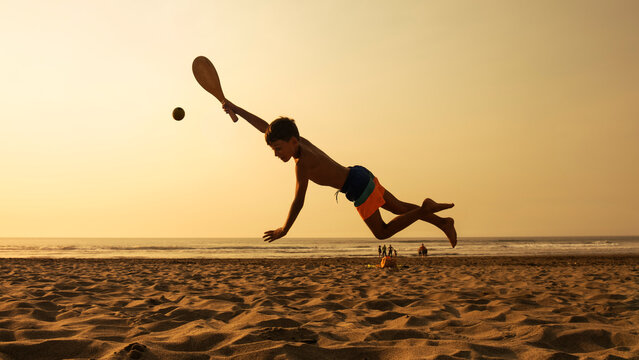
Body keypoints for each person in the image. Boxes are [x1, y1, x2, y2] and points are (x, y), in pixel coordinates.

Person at [222, 101, 457, 246]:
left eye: (278, 149)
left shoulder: (301, 163)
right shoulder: (300, 141)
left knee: (382, 234)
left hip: (357, 187)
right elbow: (266, 126)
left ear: (292, 142)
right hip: (359, 173)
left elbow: (299, 201)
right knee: (400, 209)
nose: (275, 154)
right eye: (273, 149)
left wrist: (284, 229)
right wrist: (236, 109)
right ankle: (443, 222)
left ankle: (425, 209)